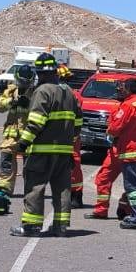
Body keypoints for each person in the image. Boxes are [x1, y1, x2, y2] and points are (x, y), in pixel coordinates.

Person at [11, 52, 81, 237]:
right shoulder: (69, 93)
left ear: (40, 73)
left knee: (35, 188)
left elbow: (36, 122)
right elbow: (78, 123)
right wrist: (69, 141)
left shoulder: (42, 91)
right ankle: (61, 226)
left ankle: (31, 226)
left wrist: (22, 144)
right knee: (62, 190)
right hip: (64, 153)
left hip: (42, 151)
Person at [106, 76, 136, 229]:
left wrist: (110, 131)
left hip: (130, 151)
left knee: (133, 188)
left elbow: (116, 128)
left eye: (123, 88)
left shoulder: (128, 105)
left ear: (128, 89)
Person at [0, 62, 36, 206]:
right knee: (6, 159)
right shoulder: (11, 90)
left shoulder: (36, 92)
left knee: (30, 165)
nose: (24, 84)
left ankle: (31, 190)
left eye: (27, 81)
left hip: (29, 135)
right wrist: (13, 101)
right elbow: (0, 106)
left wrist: (29, 103)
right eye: (22, 81)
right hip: (11, 135)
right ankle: (4, 187)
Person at [58, 63, 85, 207]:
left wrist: (73, 136)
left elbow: (78, 118)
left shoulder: (72, 95)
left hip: (69, 137)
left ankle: (76, 195)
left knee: (73, 165)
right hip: (61, 136)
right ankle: (67, 194)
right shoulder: (56, 93)